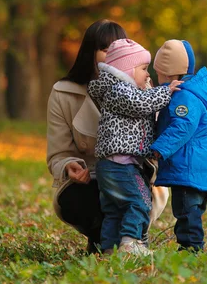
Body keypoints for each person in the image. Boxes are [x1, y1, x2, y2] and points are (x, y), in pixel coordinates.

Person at [46, 20, 169, 254]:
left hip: (135, 171)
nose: (114, 54)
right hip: (92, 179)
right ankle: (111, 242)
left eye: (118, 48)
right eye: (105, 49)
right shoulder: (64, 93)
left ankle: (123, 241)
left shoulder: (142, 87)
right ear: (90, 53)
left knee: (134, 199)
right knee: (85, 201)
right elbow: (58, 152)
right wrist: (69, 165)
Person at [88, 39, 182, 256]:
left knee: (114, 210)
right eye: (143, 68)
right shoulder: (118, 89)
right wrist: (166, 92)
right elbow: (140, 103)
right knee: (140, 200)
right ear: (125, 70)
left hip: (113, 164)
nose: (148, 74)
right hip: (119, 164)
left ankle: (109, 249)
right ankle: (130, 243)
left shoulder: (118, 88)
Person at [150, 39, 207, 252]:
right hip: (195, 167)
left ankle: (191, 248)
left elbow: (183, 126)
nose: (157, 78)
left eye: (159, 74)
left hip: (188, 167)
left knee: (186, 211)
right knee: (190, 210)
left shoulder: (184, 97)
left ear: (171, 75)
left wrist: (159, 148)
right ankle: (190, 245)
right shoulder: (188, 93)